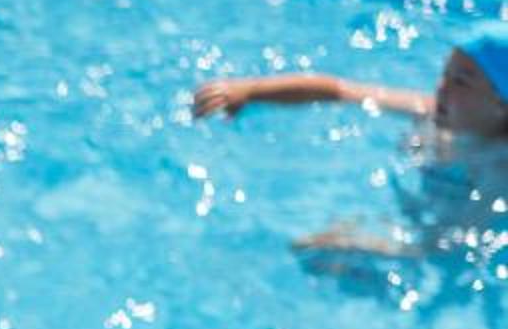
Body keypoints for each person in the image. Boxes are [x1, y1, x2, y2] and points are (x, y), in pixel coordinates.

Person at [191, 34, 508, 256]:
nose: (441, 87)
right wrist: (251, 90)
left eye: (460, 81)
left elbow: (447, 246)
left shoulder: (499, 170)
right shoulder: (430, 109)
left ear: (501, 105)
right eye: (445, 73)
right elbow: (338, 90)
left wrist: (364, 245)